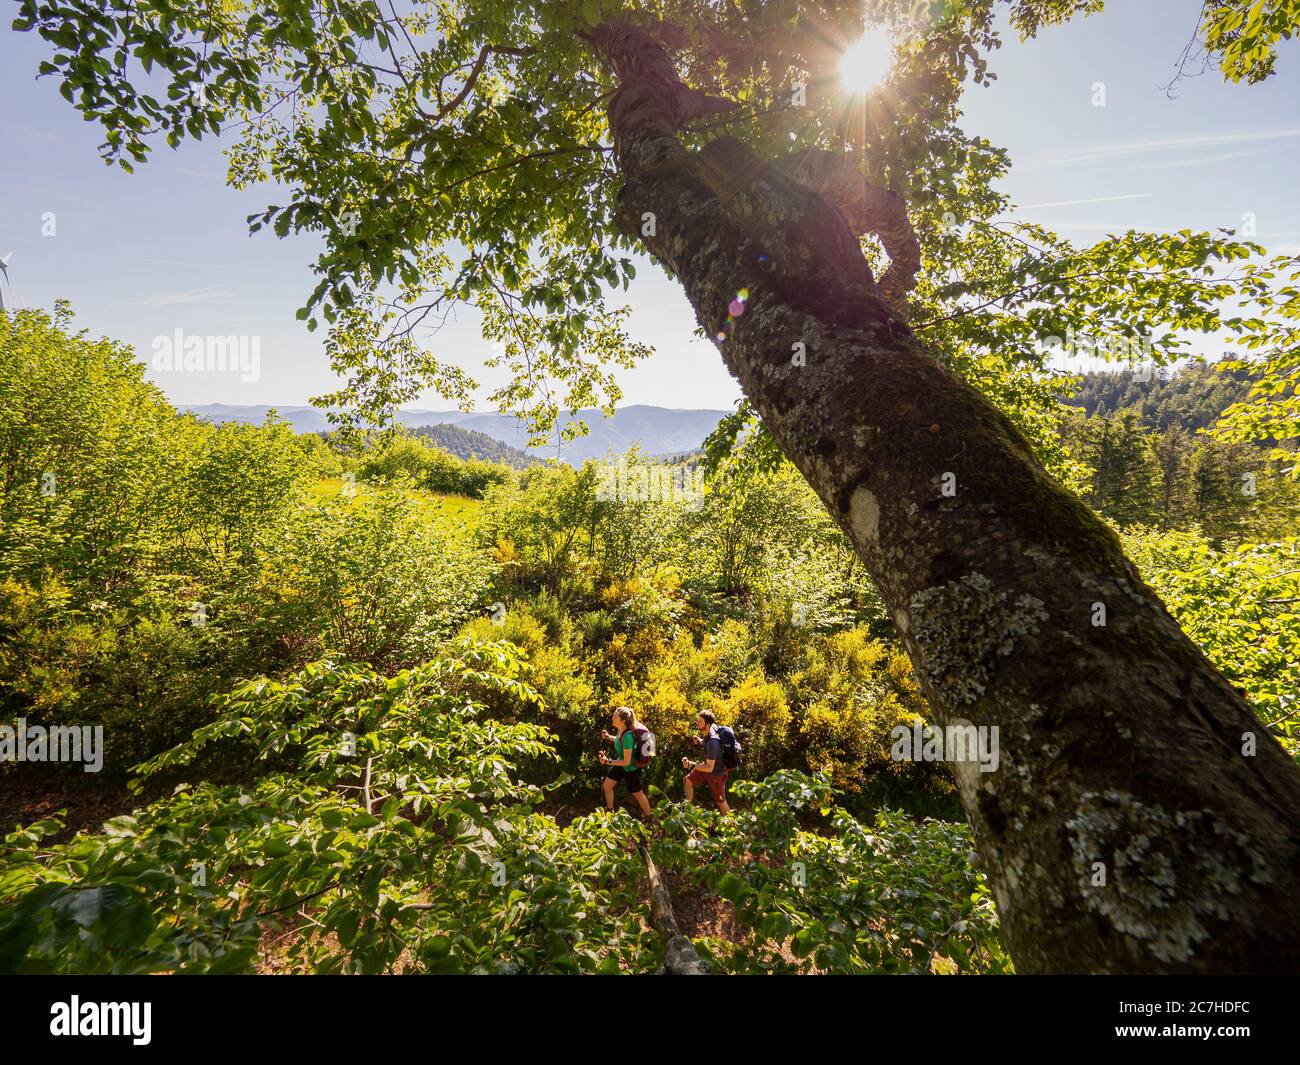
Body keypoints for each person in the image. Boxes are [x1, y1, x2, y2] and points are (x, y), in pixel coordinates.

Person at [599, 706, 652, 820]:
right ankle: (610, 813)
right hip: (621, 765)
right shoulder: (621, 730)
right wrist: (609, 737)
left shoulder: (628, 736)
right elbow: (619, 740)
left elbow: (627, 761)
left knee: (637, 794)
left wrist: (607, 761)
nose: (612, 718)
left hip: (631, 769)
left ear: (622, 720)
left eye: (615, 716)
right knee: (607, 786)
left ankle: (649, 817)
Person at [682, 710, 731, 815]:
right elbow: (706, 740)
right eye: (697, 721)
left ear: (708, 725)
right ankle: (687, 813)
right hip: (708, 766)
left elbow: (709, 768)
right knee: (687, 781)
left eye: (700, 722)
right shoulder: (708, 731)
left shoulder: (712, 742)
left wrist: (691, 764)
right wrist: (700, 741)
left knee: (721, 801)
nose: (697, 723)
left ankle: (731, 828)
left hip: (717, 773)